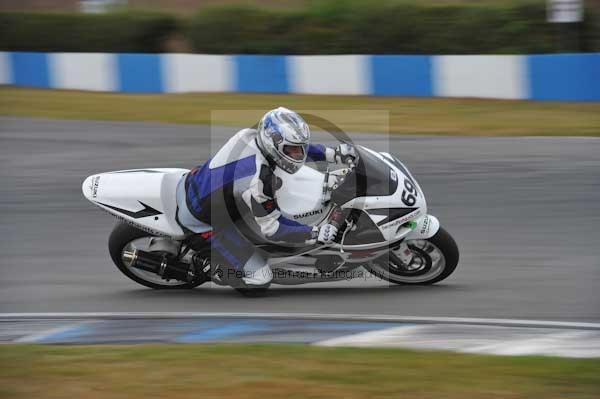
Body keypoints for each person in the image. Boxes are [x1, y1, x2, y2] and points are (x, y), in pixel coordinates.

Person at [176, 107, 357, 290]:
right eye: (293, 150)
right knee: (260, 279)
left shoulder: (251, 136)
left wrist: (332, 154)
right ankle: (216, 266)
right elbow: (273, 229)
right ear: (274, 145)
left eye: (299, 148)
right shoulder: (258, 180)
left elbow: (289, 152)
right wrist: (315, 233)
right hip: (206, 221)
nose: (298, 155)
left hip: (203, 185)